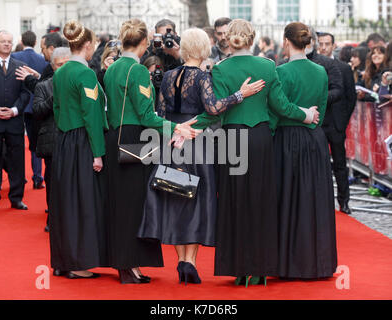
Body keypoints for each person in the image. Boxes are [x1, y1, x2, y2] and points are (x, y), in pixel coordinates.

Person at [187, 19, 320, 287]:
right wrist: (306, 115)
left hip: (231, 139)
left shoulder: (221, 69)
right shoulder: (267, 66)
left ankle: (238, 267)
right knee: (261, 201)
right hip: (259, 139)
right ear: (252, 38)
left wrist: (190, 125)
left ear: (230, 39)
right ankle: (259, 268)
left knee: (233, 201)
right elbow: (281, 106)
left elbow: (216, 108)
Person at [137, 28, 265, 285]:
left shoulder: (170, 74)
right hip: (197, 142)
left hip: (173, 142)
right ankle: (190, 262)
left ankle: (182, 261)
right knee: (196, 201)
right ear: (204, 48)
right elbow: (214, 108)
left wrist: (173, 132)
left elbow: (160, 112)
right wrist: (241, 94)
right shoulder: (202, 77)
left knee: (174, 196)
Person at [103, 19, 202, 285]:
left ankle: (129, 264)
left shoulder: (112, 69)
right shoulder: (135, 71)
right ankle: (127, 265)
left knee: (122, 204)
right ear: (145, 42)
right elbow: (147, 115)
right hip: (135, 139)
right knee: (135, 205)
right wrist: (176, 127)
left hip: (116, 137)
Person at [273, 22, 337, 279]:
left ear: (286, 41)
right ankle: (319, 263)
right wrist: (310, 121)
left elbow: (277, 109)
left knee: (288, 198)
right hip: (315, 139)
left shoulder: (281, 72)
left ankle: (288, 263)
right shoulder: (321, 71)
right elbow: (320, 110)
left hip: (287, 139)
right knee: (315, 200)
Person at [49, 21, 109, 279]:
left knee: (65, 202)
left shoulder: (60, 72)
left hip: (63, 140)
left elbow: (57, 109)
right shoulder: (85, 74)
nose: (94, 49)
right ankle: (77, 262)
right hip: (83, 141)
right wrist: (98, 152)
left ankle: (63, 260)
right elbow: (92, 115)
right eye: (93, 45)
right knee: (83, 203)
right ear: (86, 45)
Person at [318, 32, 357, 215]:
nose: (324, 47)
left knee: (340, 164)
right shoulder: (314, 66)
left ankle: (344, 201)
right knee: (319, 164)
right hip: (318, 122)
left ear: (333, 45)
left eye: (327, 44)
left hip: (336, 124)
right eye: (321, 44)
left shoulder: (343, 68)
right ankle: (322, 203)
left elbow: (351, 96)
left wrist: (343, 121)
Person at [33, 47, 71, 232]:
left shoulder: (78, 83)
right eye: (60, 65)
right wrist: (55, 97)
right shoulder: (43, 86)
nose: (63, 68)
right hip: (52, 140)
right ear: (53, 66)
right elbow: (38, 111)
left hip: (74, 138)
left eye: (67, 64)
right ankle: (53, 219)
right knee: (52, 181)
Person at [0, 30, 30, 210]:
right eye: (3, 41)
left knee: (17, 161)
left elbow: (26, 92)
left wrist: (15, 110)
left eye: (9, 42)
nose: (7, 44)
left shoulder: (20, 66)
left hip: (15, 122)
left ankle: (16, 197)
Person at [12, 30, 49, 190]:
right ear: (34, 42)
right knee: (39, 142)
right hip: (41, 106)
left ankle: (23, 177)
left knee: (23, 144)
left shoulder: (15, 58)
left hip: (22, 107)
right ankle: (38, 176)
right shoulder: (42, 59)